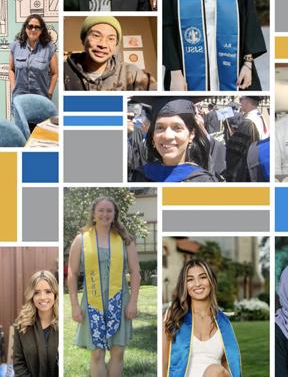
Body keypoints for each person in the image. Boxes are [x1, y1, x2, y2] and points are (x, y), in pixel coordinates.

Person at [67, 197, 141, 377]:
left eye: (109, 210)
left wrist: (133, 302)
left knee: (118, 351)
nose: (105, 214)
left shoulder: (125, 240)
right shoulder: (81, 239)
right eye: (101, 210)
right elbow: (72, 274)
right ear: (93, 214)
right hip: (93, 301)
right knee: (97, 353)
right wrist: (75, 306)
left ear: (115, 214)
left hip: (119, 300)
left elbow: (136, 273)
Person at [164, 258, 241, 377]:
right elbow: (163, 362)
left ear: (211, 281)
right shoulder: (174, 317)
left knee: (215, 371)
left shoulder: (224, 323)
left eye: (203, 277)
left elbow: (228, 362)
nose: (197, 284)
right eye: (190, 279)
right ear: (184, 285)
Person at [131, 99, 220, 182]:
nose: (167, 136)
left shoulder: (203, 181)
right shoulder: (140, 176)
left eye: (177, 128)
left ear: (191, 134)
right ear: (153, 135)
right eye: (160, 128)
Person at [64, 16, 156, 91]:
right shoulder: (64, 70)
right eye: (96, 35)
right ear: (83, 39)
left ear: (115, 45)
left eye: (111, 39)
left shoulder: (132, 73)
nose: (103, 44)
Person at [12, 271, 59, 377]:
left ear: (55, 294)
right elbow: (19, 364)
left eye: (48, 291)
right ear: (31, 296)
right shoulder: (22, 324)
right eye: (37, 292)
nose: (42, 297)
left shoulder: (62, 324)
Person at [9, 15, 58, 101]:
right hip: (20, 99)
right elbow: (11, 70)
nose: (33, 29)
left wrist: (49, 93)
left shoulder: (49, 48)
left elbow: (54, 73)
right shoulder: (15, 46)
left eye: (37, 27)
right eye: (30, 26)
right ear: (25, 28)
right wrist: (13, 88)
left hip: (41, 99)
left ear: (41, 30)